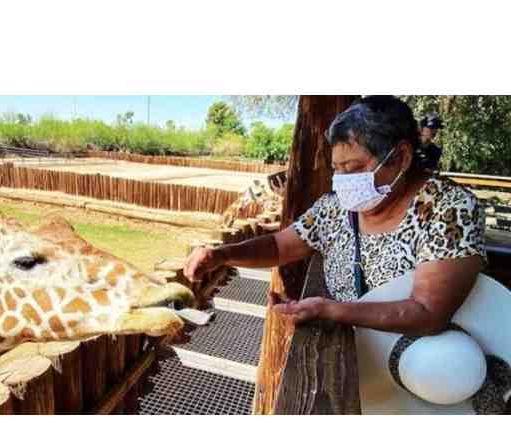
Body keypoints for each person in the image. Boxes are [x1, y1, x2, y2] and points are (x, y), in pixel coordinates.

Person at [184, 95, 486, 338]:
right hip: (353, 358)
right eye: (337, 169)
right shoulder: (334, 208)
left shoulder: (449, 210)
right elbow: (280, 245)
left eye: (353, 168)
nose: (343, 180)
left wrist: (330, 310)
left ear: (401, 157)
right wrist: (223, 255)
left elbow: (428, 313)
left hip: (417, 372)